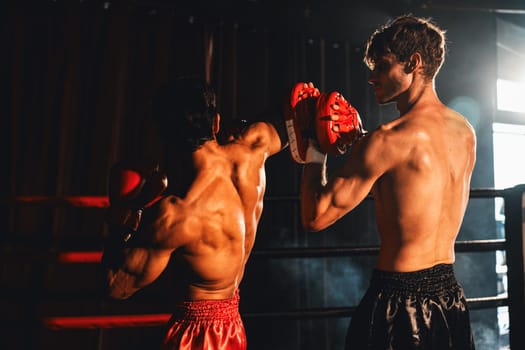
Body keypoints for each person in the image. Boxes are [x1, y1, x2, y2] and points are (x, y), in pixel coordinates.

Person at [290, 15, 477, 349]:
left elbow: (314, 216)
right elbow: (413, 182)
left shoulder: (386, 140)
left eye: (382, 66)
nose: (372, 77)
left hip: (399, 303)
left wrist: (315, 147)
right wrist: (362, 146)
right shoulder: (464, 131)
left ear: (414, 63)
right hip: (450, 297)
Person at [101, 76, 287, 349]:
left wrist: (124, 214)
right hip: (234, 326)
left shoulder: (177, 215)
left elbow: (117, 286)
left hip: (196, 337)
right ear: (216, 122)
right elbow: (294, 123)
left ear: (166, 138)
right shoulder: (254, 149)